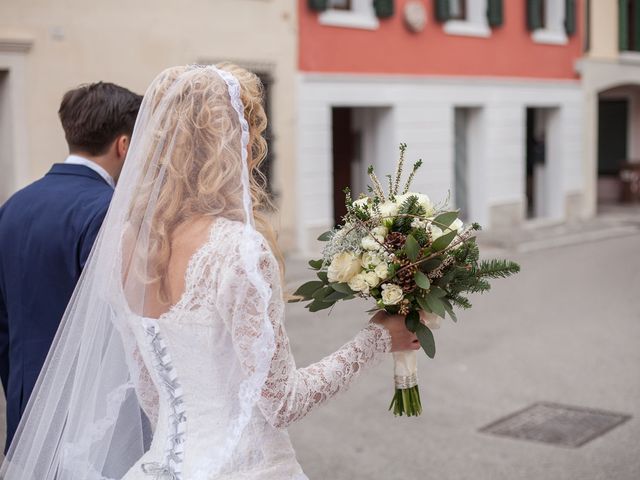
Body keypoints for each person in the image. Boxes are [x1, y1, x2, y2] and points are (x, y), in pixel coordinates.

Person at [0, 64, 419, 479]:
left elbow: (151, 393)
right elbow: (283, 401)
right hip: (245, 467)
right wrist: (379, 338)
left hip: (161, 464)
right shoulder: (237, 250)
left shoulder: (124, 244)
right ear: (232, 144)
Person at [0, 82, 142, 452]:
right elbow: (122, 324)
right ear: (123, 145)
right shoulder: (111, 211)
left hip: (25, 408)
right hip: (91, 420)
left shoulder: (13, 206)